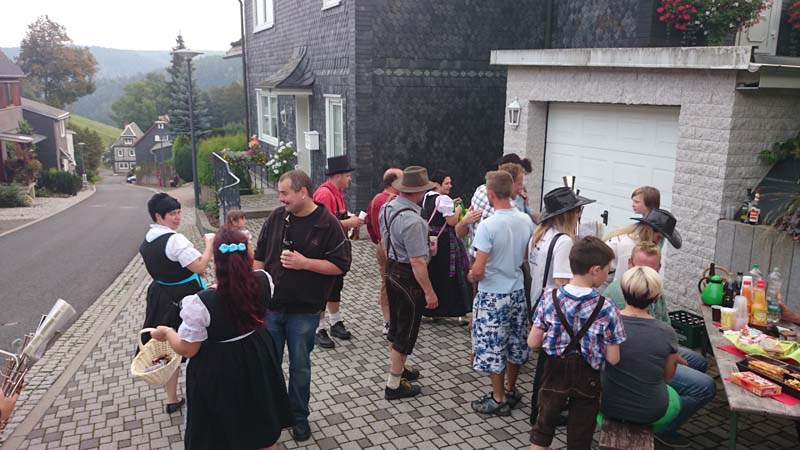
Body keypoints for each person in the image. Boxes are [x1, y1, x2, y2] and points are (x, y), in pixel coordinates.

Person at [150, 227, 293, 450]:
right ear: (248, 254)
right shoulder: (264, 280)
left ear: (217, 261)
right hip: (257, 356)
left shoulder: (200, 303)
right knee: (261, 423)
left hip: (220, 368)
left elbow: (188, 350)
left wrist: (167, 332)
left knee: (223, 430)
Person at [254, 170, 352, 442]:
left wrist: (305, 263)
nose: (280, 198)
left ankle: (298, 417)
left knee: (300, 367)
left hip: (305, 311)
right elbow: (260, 256)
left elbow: (341, 265)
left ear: (303, 192)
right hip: (272, 309)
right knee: (269, 365)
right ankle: (271, 415)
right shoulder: (277, 218)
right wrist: (254, 291)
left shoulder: (328, 223)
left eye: (284, 193)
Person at [603, 241, 715, 448]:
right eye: (641, 268)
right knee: (706, 386)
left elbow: (662, 326)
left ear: (659, 269)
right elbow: (641, 353)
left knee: (698, 361)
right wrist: (668, 354)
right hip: (637, 362)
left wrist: (669, 350)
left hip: (651, 349)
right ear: (629, 264)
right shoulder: (618, 295)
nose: (645, 276)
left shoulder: (639, 294)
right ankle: (663, 428)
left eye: (651, 271)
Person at [528, 236, 626, 450]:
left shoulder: (550, 297)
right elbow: (613, 358)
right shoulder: (607, 307)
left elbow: (533, 341)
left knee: (543, 428)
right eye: (608, 270)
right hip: (588, 376)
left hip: (554, 371)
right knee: (580, 436)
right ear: (596, 270)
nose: (608, 274)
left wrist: (552, 337)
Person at [467, 170, 534, 416]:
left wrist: (472, 274)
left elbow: (479, 268)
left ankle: (498, 398)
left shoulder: (488, 225)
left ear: (490, 194)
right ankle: (511, 388)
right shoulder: (525, 220)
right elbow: (525, 256)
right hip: (516, 289)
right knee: (516, 342)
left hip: (493, 294)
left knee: (493, 345)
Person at [140, 192, 213, 414]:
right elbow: (199, 266)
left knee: (170, 347)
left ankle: (172, 399)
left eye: (179, 212)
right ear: (158, 216)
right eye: (172, 213)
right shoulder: (175, 240)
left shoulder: (148, 239)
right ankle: (204, 395)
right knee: (197, 343)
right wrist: (209, 245)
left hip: (161, 295)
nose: (178, 217)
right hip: (185, 296)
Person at [527, 186, 595, 424]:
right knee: (551, 366)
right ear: (568, 214)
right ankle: (543, 412)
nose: (579, 215)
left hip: (539, 302)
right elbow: (563, 282)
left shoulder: (540, 233)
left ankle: (539, 409)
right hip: (556, 309)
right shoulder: (563, 241)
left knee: (545, 364)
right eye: (577, 211)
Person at [600, 266, 682, 440]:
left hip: (606, 405)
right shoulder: (666, 332)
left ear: (623, 292)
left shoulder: (605, 323)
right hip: (650, 411)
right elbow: (667, 377)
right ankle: (659, 435)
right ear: (656, 297)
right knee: (675, 398)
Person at [379, 166, 439, 400]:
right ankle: (394, 385)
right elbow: (417, 262)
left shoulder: (387, 207)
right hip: (407, 277)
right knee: (405, 331)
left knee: (396, 325)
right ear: (419, 192)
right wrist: (429, 292)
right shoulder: (414, 221)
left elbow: (384, 242)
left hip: (391, 270)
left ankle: (401, 368)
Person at [312, 155, 364, 348]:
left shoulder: (337, 193)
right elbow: (323, 224)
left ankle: (335, 322)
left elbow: (336, 217)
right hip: (324, 251)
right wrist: (349, 222)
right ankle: (318, 328)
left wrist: (350, 220)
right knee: (322, 289)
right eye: (348, 175)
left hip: (336, 249)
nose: (350, 179)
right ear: (338, 176)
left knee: (335, 287)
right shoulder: (325, 194)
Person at [421, 169, 479, 321]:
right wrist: (458, 210)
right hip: (446, 242)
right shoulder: (444, 199)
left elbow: (436, 212)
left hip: (432, 239)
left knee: (435, 273)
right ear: (437, 184)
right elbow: (452, 221)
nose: (450, 186)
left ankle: (433, 311)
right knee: (454, 274)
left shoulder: (428, 197)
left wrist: (451, 204)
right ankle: (458, 311)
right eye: (446, 183)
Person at [366, 168, 403, 335]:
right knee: (394, 284)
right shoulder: (394, 201)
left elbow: (369, 223)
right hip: (393, 248)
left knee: (385, 282)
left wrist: (376, 240)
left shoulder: (375, 199)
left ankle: (388, 320)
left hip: (381, 247)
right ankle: (392, 320)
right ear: (393, 182)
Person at [604, 208, 682, 284]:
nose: (659, 242)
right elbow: (620, 281)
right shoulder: (629, 246)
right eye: (659, 237)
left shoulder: (635, 237)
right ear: (649, 230)